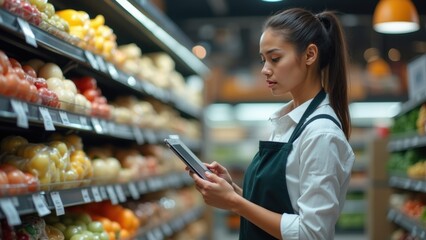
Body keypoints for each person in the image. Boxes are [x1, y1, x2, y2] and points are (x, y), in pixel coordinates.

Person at [189, 8, 355, 240]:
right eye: (263, 59)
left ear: (309, 55)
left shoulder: (321, 134)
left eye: (275, 58)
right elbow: (278, 208)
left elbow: (312, 233)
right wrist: (232, 190)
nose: (265, 70)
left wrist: (236, 203)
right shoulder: (288, 122)